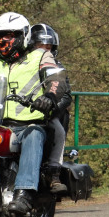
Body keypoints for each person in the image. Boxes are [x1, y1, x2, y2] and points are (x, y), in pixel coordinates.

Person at [0, 12, 66, 215]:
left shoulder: (40, 56)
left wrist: (50, 96)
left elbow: (56, 78)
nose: (3, 40)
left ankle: (24, 194)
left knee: (34, 135)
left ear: (23, 36)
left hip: (28, 123)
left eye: (9, 35)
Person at [29, 23, 73, 168]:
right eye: (40, 46)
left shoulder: (57, 67)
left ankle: (54, 169)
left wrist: (50, 108)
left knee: (58, 130)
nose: (44, 51)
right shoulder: (22, 65)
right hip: (22, 111)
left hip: (46, 112)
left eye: (48, 47)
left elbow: (66, 96)